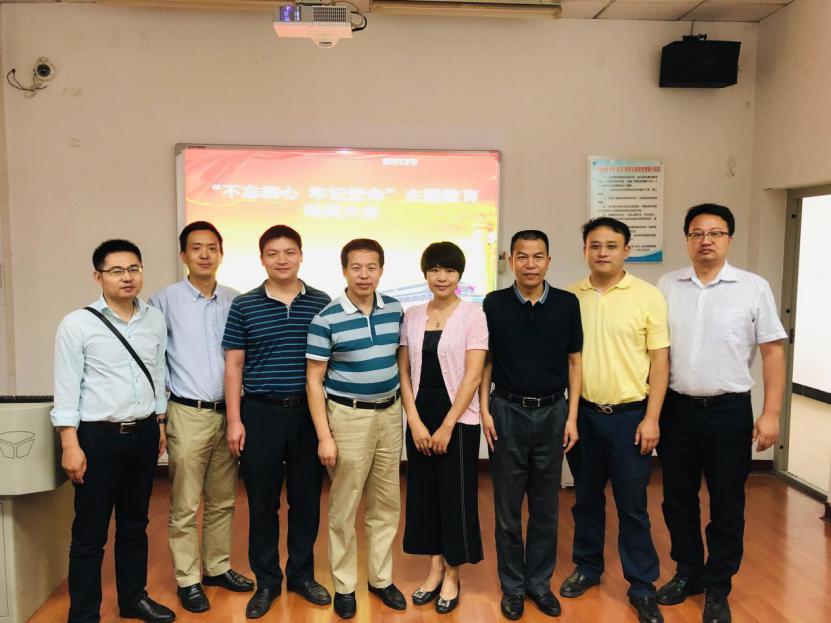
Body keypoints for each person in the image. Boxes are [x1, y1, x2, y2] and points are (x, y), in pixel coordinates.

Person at [656, 204, 786, 623]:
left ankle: (718, 585)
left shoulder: (753, 287)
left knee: (727, 504)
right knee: (677, 500)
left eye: (715, 233)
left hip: (729, 412)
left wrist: (771, 413)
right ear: (687, 240)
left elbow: (772, 352)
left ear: (729, 238)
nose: (705, 241)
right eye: (697, 233)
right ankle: (688, 573)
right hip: (677, 410)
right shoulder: (667, 285)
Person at [51, 239, 175, 623]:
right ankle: (84, 613)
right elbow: (67, 389)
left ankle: (133, 599)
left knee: (135, 525)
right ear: (98, 276)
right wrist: (70, 445)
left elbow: (157, 374)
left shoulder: (154, 319)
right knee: (90, 534)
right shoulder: (77, 324)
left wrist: (159, 424)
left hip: (143, 434)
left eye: (134, 269)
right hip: (97, 439)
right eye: (117, 271)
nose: (127, 277)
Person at [222, 225, 332, 619]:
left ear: (300, 255)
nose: (282, 260)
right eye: (273, 253)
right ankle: (267, 581)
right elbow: (234, 366)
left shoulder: (321, 303)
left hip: (307, 414)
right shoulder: (245, 305)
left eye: (289, 252)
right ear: (262, 259)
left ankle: (301, 576)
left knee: (306, 500)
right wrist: (234, 421)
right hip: (260, 413)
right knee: (262, 503)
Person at [561, 218, 668, 623]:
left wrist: (652, 418)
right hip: (584, 415)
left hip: (631, 418)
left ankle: (642, 585)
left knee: (633, 506)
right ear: (584, 250)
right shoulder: (570, 297)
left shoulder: (648, 296)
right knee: (586, 499)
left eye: (611, 245)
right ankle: (588, 567)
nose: (602, 252)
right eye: (595, 245)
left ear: (626, 250)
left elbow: (660, 363)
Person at [148, 221, 253, 613]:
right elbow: (154, 360)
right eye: (196, 248)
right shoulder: (164, 301)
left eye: (212, 248)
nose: (205, 255)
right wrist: (160, 417)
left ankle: (217, 567)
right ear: (183, 255)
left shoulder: (236, 300)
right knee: (185, 503)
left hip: (230, 413)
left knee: (223, 498)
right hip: (187, 413)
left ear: (221, 253)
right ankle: (188, 579)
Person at [480, 230, 583, 621]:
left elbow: (574, 361)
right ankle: (512, 587)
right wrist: (485, 409)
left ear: (548, 261)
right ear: (511, 261)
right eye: (522, 257)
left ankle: (539, 583)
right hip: (506, 410)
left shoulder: (567, 304)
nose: (530, 264)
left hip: (554, 412)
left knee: (546, 508)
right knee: (507, 508)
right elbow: (486, 360)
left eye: (538, 257)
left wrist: (572, 416)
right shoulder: (494, 303)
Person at [306, 238, 406, 620]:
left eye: (371, 267)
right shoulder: (326, 318)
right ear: (344, 270)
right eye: (356, 267)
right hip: (348, 418)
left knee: (386, 504)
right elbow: (314, 380)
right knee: (344, 507)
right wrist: (324, 437)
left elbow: (400, 363)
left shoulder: (394, 310)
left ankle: (380, 579)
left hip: (389, 414)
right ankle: (345, 585)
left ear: (381, 269)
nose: (364, 275)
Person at [399, 242, 488, 615]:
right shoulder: (412, 315)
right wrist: (415, 420)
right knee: (424, 497)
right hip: (420, 419)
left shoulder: (473, 315)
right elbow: (404, 371)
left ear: (459, 276)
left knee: (456, 498)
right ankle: (434, 569)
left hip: (459, 422)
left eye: (449, 270)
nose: (442, 277)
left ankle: (453, 574)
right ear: (425, 274)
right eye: (435, 269)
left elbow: (473, 376)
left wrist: (448, 425)